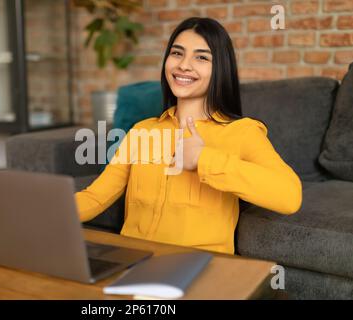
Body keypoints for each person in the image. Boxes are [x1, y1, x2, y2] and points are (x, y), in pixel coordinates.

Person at [75, 17, 302, 255]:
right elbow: (97, 196)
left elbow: (289, 196)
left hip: (199, 265)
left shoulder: (242, 132)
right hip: (135, 259)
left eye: (201, 57)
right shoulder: (143, 131)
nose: (184, 65)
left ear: (220, 69)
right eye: (177, 53)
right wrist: (46, 213)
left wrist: (204, 159)